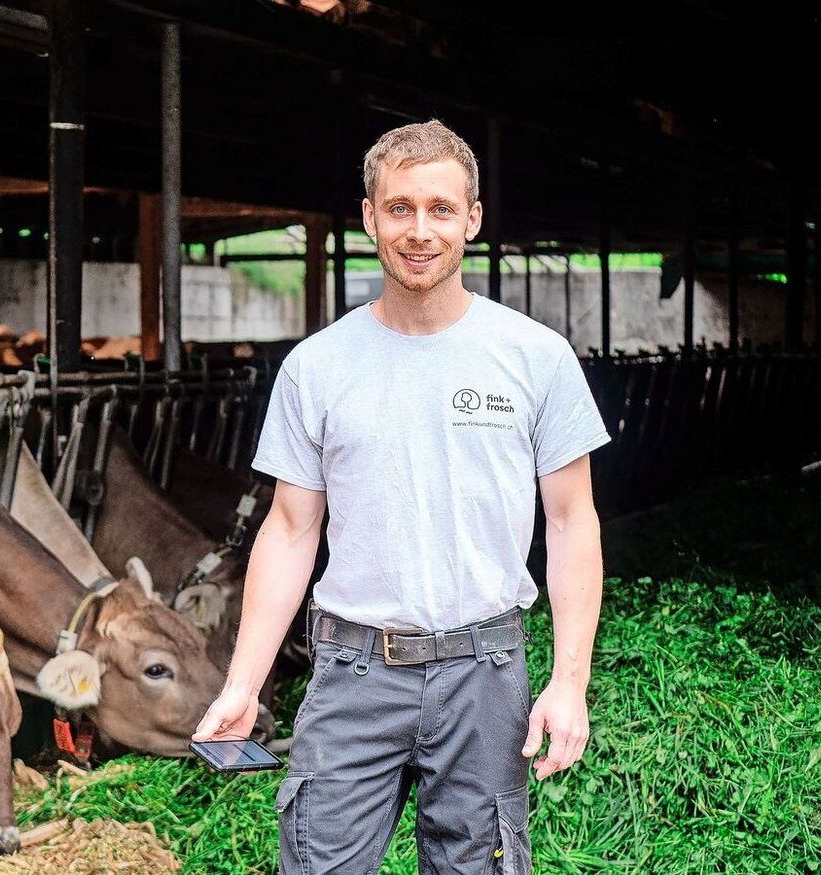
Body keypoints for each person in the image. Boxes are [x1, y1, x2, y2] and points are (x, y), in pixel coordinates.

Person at [193, 119, 611, 874]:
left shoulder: (536, 358)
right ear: (369, 217)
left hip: (486, 670)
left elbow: (572, 521)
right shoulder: (318, 367)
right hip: (353, 671)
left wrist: (568, 680)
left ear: (472, 219)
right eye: (400, 208)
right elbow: (290, 530)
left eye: (441, 209)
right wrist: (243, 684)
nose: (420, 231)